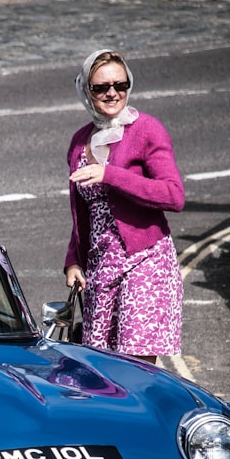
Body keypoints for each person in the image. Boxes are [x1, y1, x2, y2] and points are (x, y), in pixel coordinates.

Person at [63, 49, 185, 364]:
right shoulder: (79, 142)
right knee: (100, 365)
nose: (112, 93)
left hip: (146, 260)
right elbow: (84, 213)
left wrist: (111, 175)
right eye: (101, 87)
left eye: (120, 84)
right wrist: (74, 260)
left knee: (137, 367)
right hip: (101, 266)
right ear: (86, 91)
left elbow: (173, 195)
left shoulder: (146, 130)